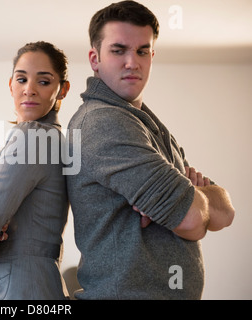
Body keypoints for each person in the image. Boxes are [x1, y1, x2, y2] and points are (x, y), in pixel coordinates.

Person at [66, 0, 235, 299]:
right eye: (118, 50)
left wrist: (191, 200)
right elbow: (193, 221)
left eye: (142, 51)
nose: (132, 62)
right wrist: (188, 200)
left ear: (152, 56)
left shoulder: (146, 124)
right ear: (95, 58)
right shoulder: (103, 121)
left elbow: (225, 214)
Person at [0, 41, 71, 299]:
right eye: (21, 79)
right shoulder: (56, 140)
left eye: (43, 82)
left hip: (18, 290)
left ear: (62, 90)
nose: (29, 90)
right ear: (11, 85)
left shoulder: (32, 137)